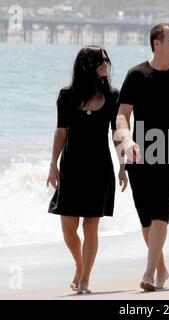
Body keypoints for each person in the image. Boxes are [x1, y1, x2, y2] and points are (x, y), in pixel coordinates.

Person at [116, 23, 169, 291]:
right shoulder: (136, 75)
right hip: (139, 154)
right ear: (157, 43)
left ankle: (149, 273)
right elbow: (121, 115)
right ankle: (162, 269)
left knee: (160, 216)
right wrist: (126, 141)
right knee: (146, 220)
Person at [47, 45, 127, 294]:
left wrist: (123, 164)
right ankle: (80, 265)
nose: (105, 64)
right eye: (99, 60)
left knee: (91, 226)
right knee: (68, 228)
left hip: (99, 167)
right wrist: (52, 164)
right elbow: (61, 132)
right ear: (86, 65)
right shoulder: (67, 96)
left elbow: (117, 133)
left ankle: (85, 280)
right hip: (71, 166)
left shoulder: (113, 96)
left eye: (106, 60)